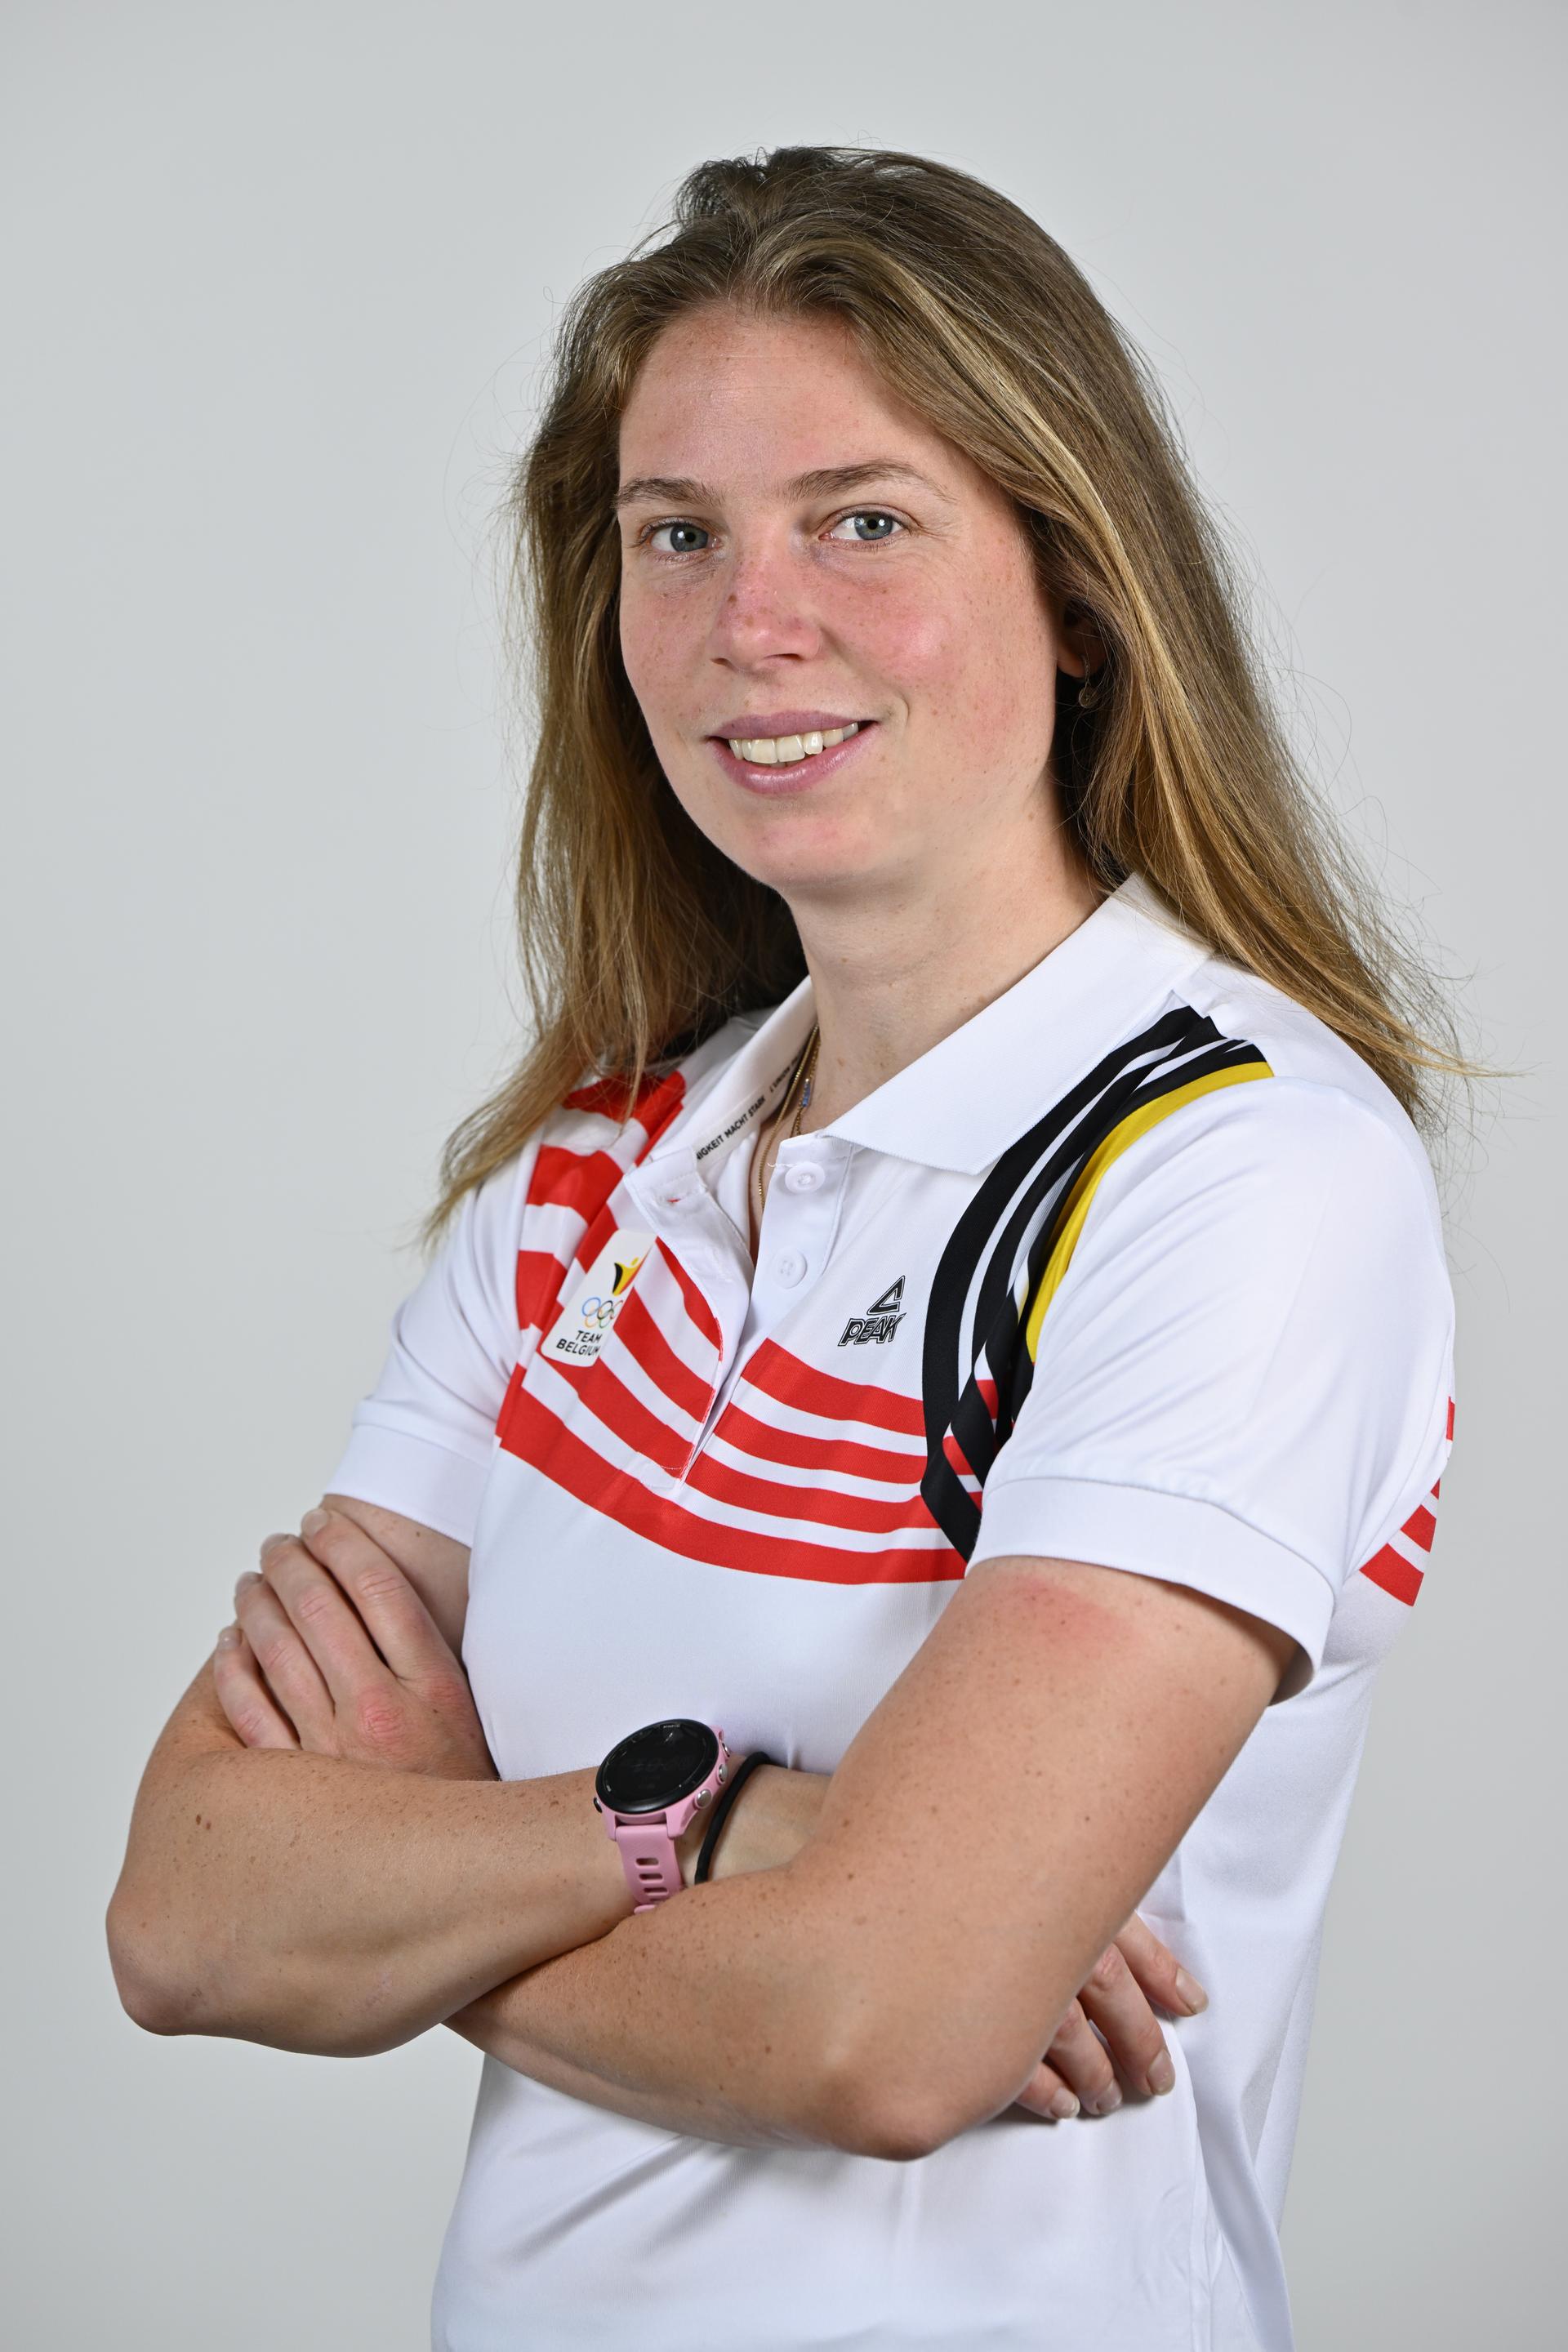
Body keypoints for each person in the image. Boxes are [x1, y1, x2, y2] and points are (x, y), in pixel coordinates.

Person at [108, 147, 1473, 2350]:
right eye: (679, 535)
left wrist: (433, 1879)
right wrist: (709, 1826)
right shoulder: (591, 1178)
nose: (754, 622)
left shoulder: (1236, 1174)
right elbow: (187, 1915)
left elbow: (883, 2035)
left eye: (862, 521)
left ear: (1079, 588)